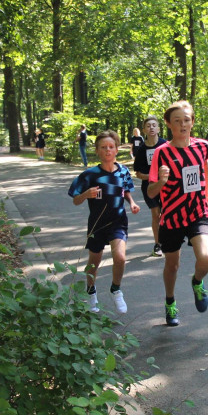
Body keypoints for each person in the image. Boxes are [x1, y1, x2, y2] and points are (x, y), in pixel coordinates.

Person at [148, 101, 208, 327]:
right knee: (172, 265)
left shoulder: (202, 146)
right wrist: (161, 181)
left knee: (205, 259)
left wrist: (207, 193)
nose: (183, 124)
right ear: (169, 124)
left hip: (197, 212)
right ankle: (170, 303)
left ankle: (197, 282)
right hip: (172, 217)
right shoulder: (161, 152)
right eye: (177, 121)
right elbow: (150, 191)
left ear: (193, 122)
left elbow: (204, 168)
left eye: (186, 120)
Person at [67, 131, 140, 315]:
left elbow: (126, 191)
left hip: (118, 221)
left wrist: (131, 203)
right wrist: (85, 194)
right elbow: (75, 200)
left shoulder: (123, 171)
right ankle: (91, 292)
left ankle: (116, 289)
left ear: (116, 149)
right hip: (97, 223)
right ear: (97, 151)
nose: (107, 150)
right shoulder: (89, 175)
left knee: (120, 258)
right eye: (103, 147)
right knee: (94, 262)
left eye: (111, 147)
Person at [132, 115, 167, 256]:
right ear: (144, 130)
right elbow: (138, 173)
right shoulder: (141, 150)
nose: (151, 128)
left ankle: (168, 241)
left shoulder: (166, 145)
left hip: (166, 186)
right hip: (149, 187)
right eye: (148, 126)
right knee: (156, 214)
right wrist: (153, 177)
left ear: (158, 128)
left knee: (166, 214)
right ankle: (158, 245)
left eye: (154, 125)